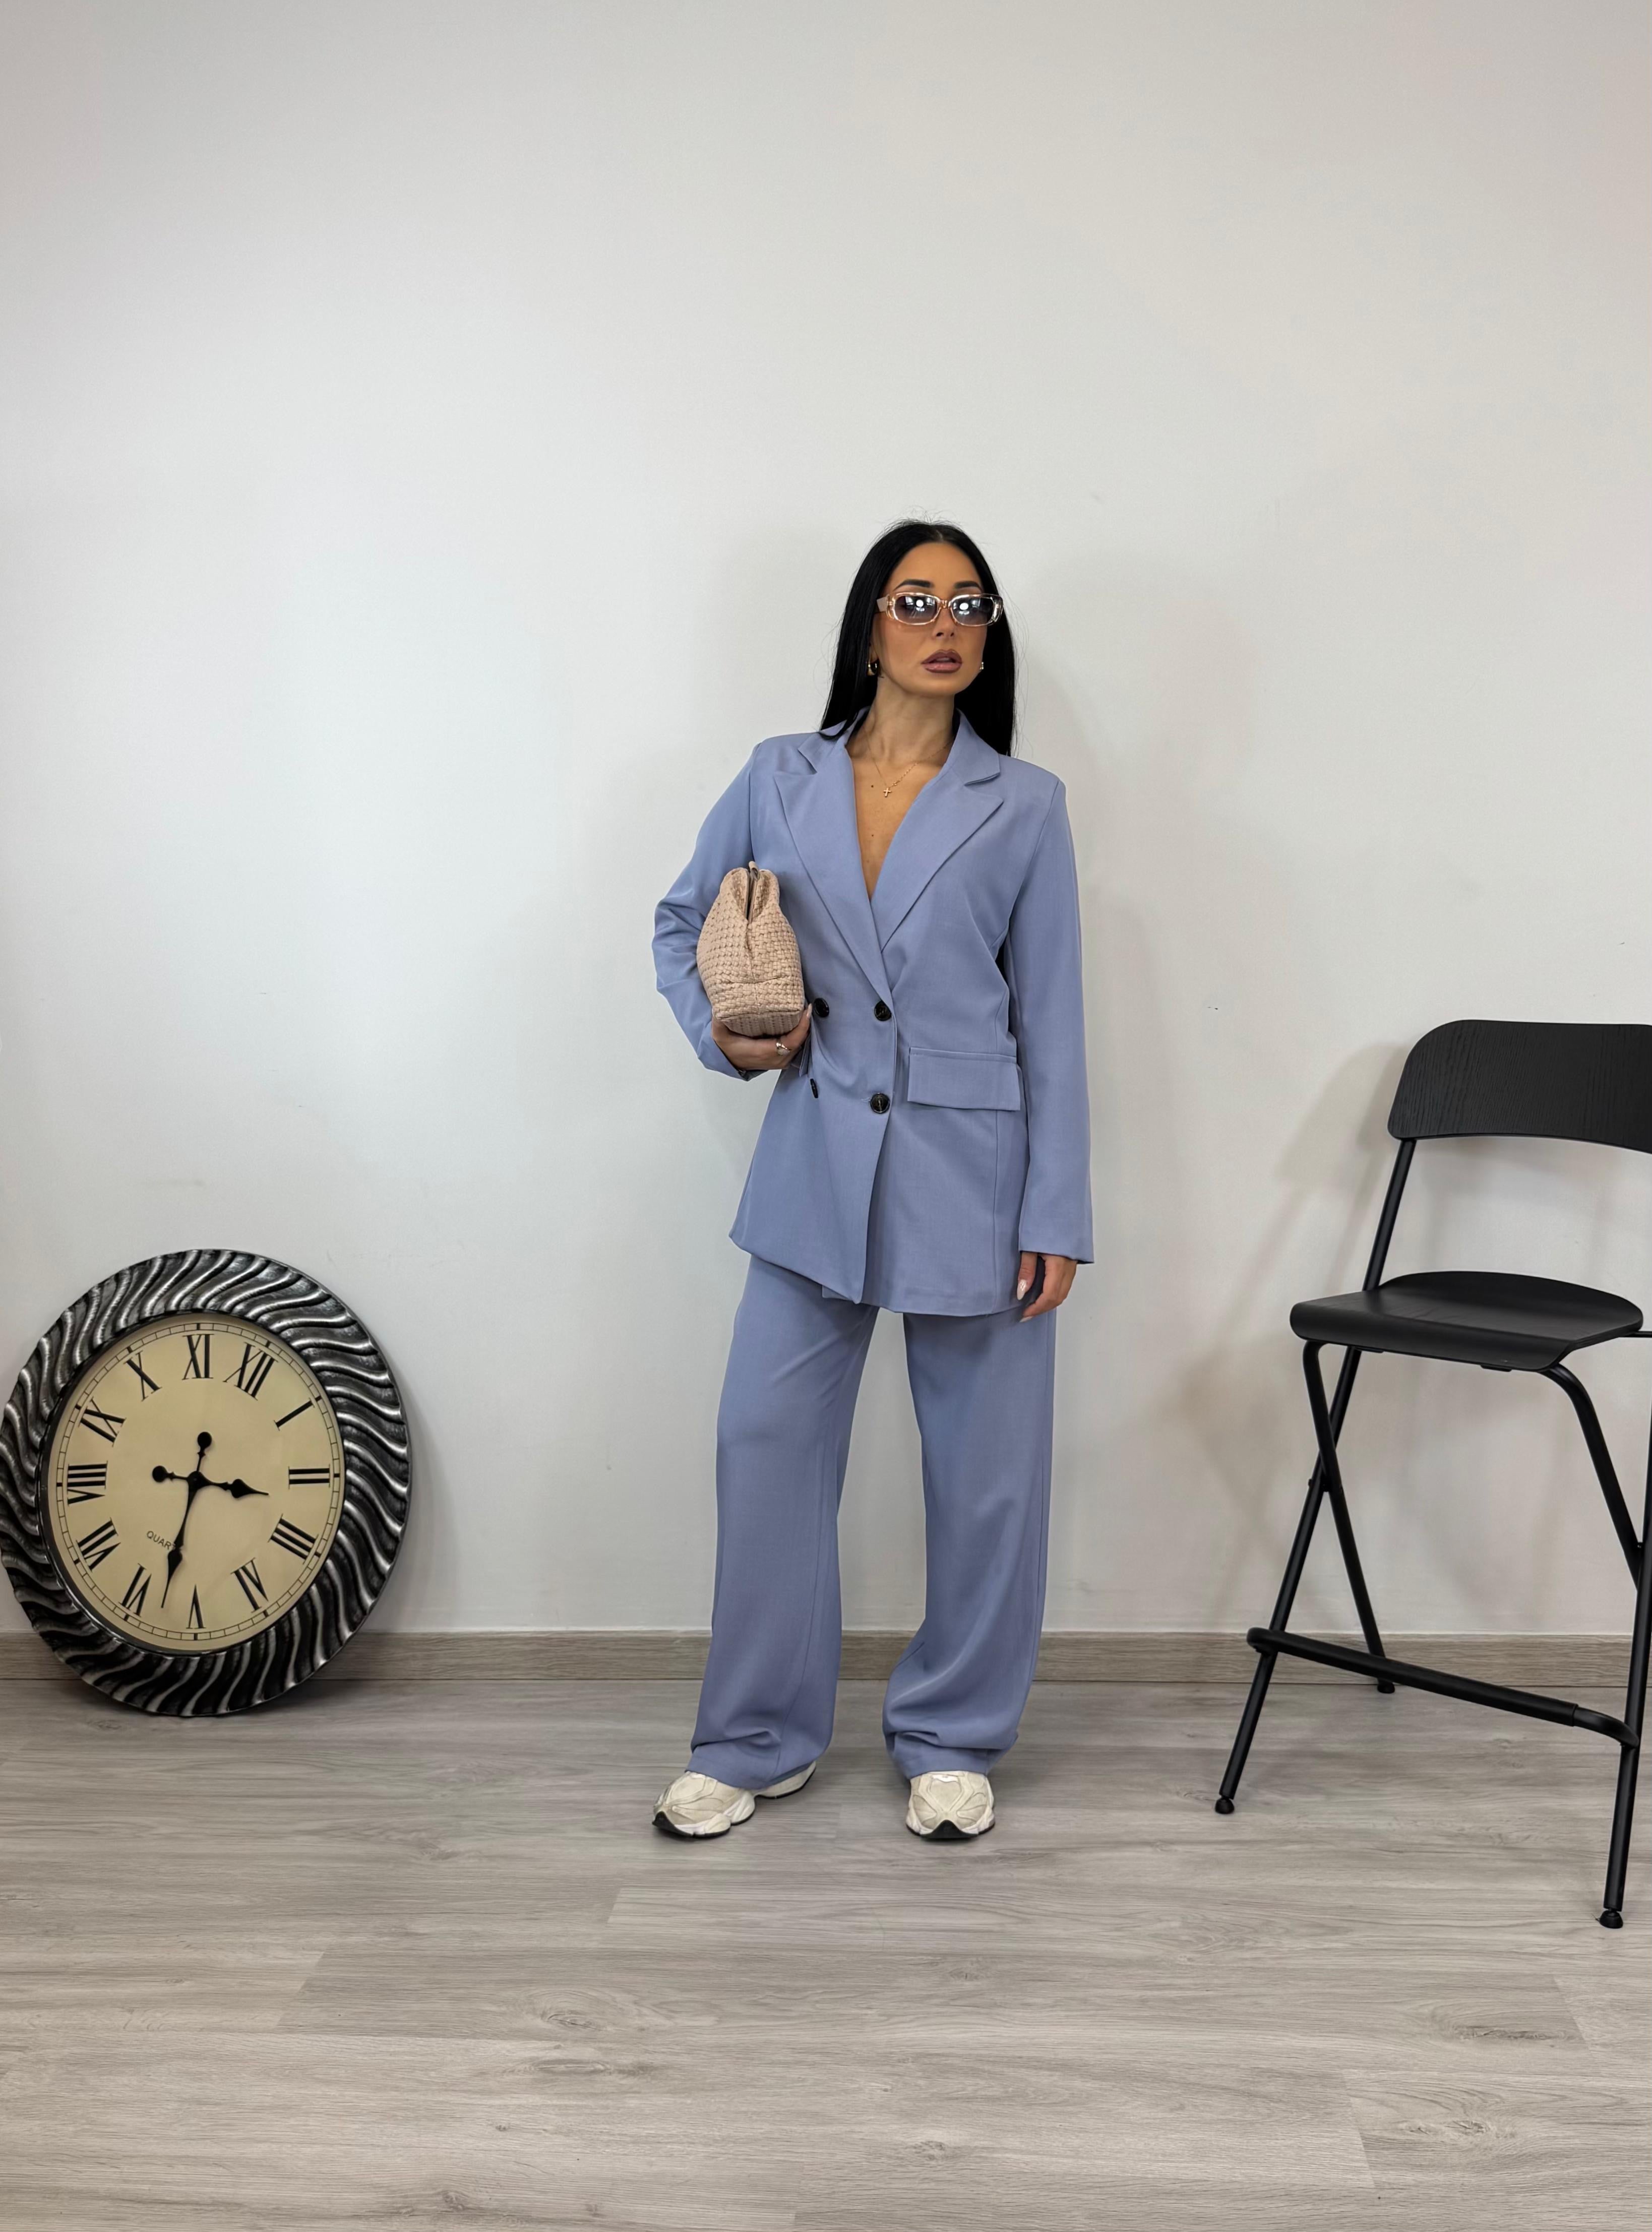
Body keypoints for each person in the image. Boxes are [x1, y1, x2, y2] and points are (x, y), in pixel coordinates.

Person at [650, 519, 1092, 1841]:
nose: (945, 623)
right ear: (869, 628)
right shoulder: (776, 776)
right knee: (765, 1446)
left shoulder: (1024, 805)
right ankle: (756, 1736)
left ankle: (953, 1733)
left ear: (988, 636)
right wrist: (726, 1033)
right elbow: (682, 921)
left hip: (977, 1170)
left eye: (969, 604)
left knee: (988, 1477)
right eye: (917, 600)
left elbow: (1053, 1018)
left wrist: (1057, 1210)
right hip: (815, 1158)